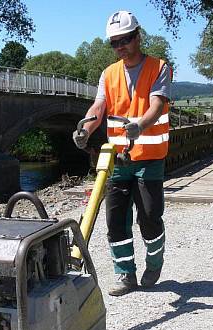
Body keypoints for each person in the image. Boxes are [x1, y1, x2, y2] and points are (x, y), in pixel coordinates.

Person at [72, 10, 171, 296]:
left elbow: (156, 106)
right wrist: (86, 129)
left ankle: (154, 261)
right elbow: (98, 107)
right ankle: (125, 274)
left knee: (150, 215)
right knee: (115, 218)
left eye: (125, 39)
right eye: (114, 42)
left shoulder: (159, 67)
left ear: (138, 36)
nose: (120, 47)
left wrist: (140, 124)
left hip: (149, 157)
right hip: (117, 158)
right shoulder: (108, 74)